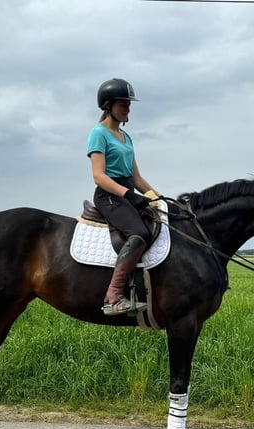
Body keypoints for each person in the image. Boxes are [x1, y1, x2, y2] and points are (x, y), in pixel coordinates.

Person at [87, 78, 157, 316]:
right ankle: (114, 296)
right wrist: (129, 195)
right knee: (140, 234)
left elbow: (137, 178)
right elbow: (98, 176)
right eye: (123, 103)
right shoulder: (99, 134)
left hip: (127, 192)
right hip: (109, 195)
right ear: (108, 105)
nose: (128, 108)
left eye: (129, 104)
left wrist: (157, 198)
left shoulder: (127, 138)